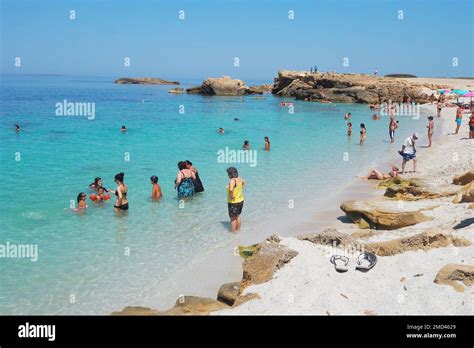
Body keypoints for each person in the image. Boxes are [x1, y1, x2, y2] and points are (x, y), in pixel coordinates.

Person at [226, 167, 245, 232]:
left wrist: (231, 196)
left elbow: (231, 189)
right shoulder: (239, 178)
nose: (227, 175)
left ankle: (233, 233)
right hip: (240, 200)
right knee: (237, 216)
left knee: (233, 218)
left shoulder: (233, 180)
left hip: (233, 202)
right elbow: (244, 182)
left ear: (230, 174)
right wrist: (240, 189)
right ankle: (238, 230)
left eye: (228, 174)